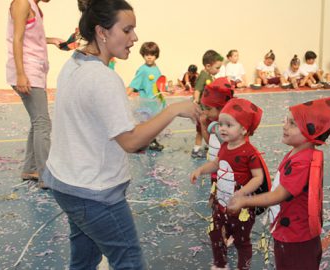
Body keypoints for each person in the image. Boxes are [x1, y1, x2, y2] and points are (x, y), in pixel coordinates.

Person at [42, 0, 200, 269]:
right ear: (102, 32)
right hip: (94, 192)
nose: (134, 38)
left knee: (84, 258)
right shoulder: (103, 78)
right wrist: (173, 111)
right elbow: (130, 141)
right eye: (127, 30)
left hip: (65, 183)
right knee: (129, 260)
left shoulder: (74, 62)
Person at [228, 96, 330, 270]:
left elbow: (279, 195)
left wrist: (245, 201)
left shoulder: (302, 162)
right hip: (292, 231)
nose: (284, 126)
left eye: (292, 123)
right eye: (286, 121)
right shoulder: (298, 153)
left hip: (296, 237)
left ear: (311, 131)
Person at [190, 98, 270, 270]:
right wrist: (201, 170)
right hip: (222, 202)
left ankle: (243, 267)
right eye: (221, 124)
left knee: (242, 241)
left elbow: (258, 178)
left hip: (241, 207)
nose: (222, 128)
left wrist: (241, 194)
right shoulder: (225, 146)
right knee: (215, 234)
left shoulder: (250, 153)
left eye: (229, 125)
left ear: (243, 129)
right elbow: (217, 163)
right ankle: (220, 265)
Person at [6, 0, 64, 186]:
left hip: (35, 70)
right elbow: (17, 38)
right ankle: (47, 176)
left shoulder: (34, 7)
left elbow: (30, 37)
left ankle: (30, 168)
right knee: (42, 122)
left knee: (37, 120)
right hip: (28, 71)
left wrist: (52, 40)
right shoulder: (22, 3)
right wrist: (21, 74)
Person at [198, 77, 235, 209]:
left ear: (221, 108)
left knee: (226, 195)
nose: (205, 112)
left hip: (227, 170)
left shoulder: (230, 128)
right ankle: (216, 201)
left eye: (208, 108)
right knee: (215, 186)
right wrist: (203, 124)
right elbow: (209, 142)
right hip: (215, 167)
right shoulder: (213, 125)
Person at [128, 41, 165, 151]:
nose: (149, 57)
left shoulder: (156, 68)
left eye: (152, 55)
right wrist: (124, 97)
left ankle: (151, 142)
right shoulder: (143, 70)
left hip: (155, 101)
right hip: (146, 102)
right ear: (143, 55)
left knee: (153, 124)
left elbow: (157, 85)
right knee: (147, 124)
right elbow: (133, 84)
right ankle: (146, 143)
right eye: (146, 55)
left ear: (156, 55)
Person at [192, 50, 224, 158]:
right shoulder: (203, 76)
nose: (218, 70)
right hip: (202, 110)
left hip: (207, 110)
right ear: (208, 66)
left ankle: (208, 144)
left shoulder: (209, 75)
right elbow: (197, 90)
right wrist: (196, 101)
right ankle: (196, 149)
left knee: (207, 127)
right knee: (201, 129)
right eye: (217, 68)